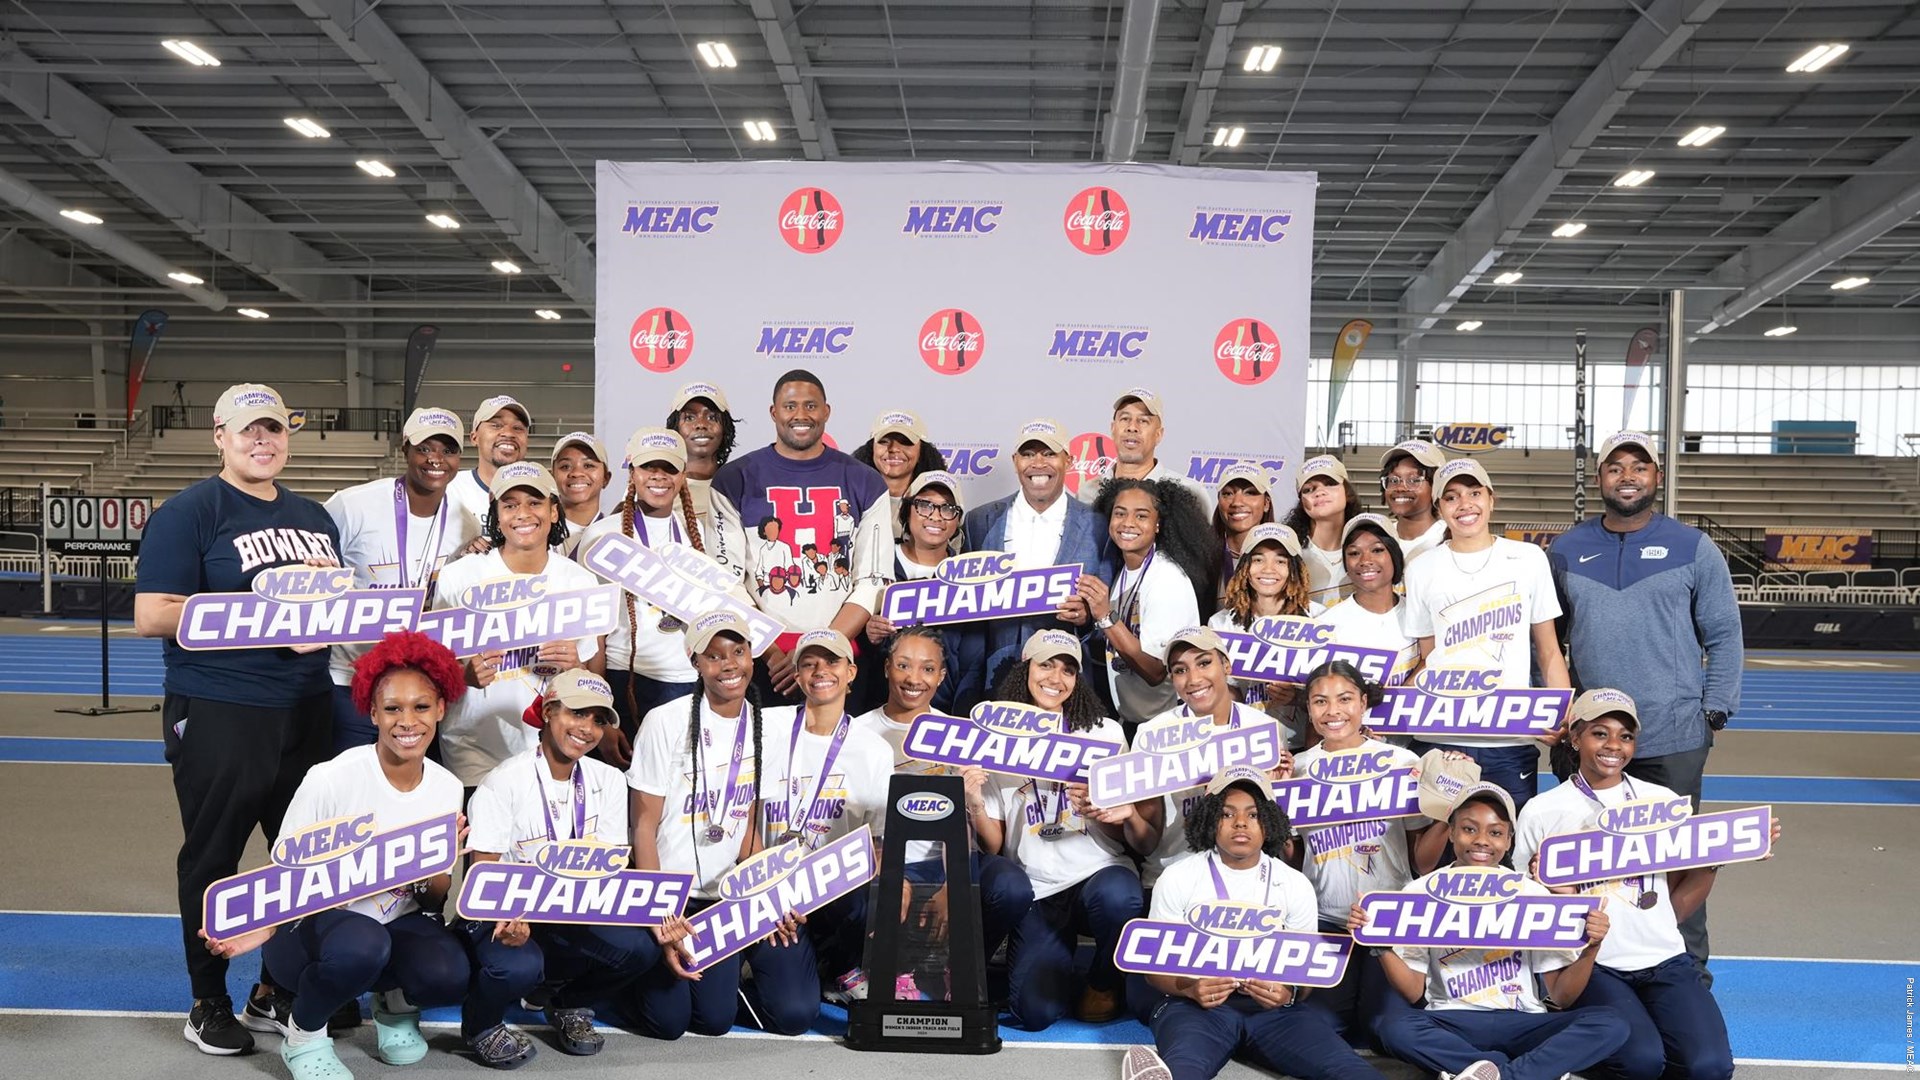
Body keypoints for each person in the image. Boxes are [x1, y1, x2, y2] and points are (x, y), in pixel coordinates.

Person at [134, 382, 345, 1056]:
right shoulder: (190, 511)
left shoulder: (316, 517)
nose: (263, 441)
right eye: (249, 430)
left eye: (275, 430)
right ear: (220, 435)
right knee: (216, 857)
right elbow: (152, 615)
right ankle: (207, 1000)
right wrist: (262, 607)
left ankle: (275, 989)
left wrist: (323, 598)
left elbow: (323, 621)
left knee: (307, 857)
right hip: (224, 706)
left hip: (308, 707)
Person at [199, 632, 470, 1076]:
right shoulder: (331, 778)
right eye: (393, 708)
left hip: (394, 922)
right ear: (372, 712)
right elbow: (284, 871)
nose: (408, 721)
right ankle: (304, 1035)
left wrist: (426, 871)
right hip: (314, 930)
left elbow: (433, 900)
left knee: (448, 970)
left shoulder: (447, 786)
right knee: (364, 945)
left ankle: (395, 1004)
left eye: (421, 707)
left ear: (441, 709)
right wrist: (257, 931)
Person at [1547, 430, 1743, 976]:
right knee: (1592, 863)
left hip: (1673, 736)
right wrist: (1556, 714)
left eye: (1639, 466)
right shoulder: (1564, 550)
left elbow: (1724, 633)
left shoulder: (1693, 547)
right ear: (1599, 477)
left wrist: (1714, 709)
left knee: (1675, 864)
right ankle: (1594, 970)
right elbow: (1547, 641)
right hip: (1591, 744)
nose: (1627, 476)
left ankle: (1685, 971)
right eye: (1615, 467)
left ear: (1656, 476)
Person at [1516, 689, 1768, 1080]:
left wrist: (1719, 858)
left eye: (1626, 736)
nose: (1614, 745)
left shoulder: (1661, 801)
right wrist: (1557, 894)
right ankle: (1562, 1035)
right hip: (1593, 965)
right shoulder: (1542, 812)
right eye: (1600, 733)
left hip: (1665, 961)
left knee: (1710, 1067)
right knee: (1640, 1063)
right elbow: (1527, 910)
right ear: (1575, 737)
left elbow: (1675, 910)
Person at [1130, 765, 1389, 1080]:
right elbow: (1154, 972)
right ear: (1210, 820)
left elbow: (1303, 977)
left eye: (1253, 815)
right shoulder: (1178, 877)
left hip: (1272, 1013)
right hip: (1196, 1007)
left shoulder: (1293, 883)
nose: (1240, 823)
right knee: (1185, 1069)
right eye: (1227, 814)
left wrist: (1288, 993)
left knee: (1352, 1072)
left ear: (1269, 822)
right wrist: (1190, 988)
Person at [1357, 782, 1630, 1080]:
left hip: (1523, 1020)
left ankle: (1487, 1073)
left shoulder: (1531, 892)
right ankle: (1516, 1069)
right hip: (1450, 1020)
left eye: (1495, 832)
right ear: (1451, 832)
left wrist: (1591, 948)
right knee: (1392, 1028)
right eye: (1469, 829)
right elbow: (1412, 992)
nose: (1482, 841)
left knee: (1611, 1023)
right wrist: (1379, 944)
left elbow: (1562, 997)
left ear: (1509, 840)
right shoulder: (1420, 891)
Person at [627, 612, 814, 1038]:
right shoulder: (666, 721)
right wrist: (659, 914)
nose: (728, 664)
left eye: (738, 651)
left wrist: (763, 896)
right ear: (695, 663)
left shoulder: (768, 728)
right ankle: (606, 985)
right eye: (713, 656)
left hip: (722, 900)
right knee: (668, 1024)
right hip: (671, 897)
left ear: (752, 655)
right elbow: (642, 825)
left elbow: (752, 826)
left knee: (713, 1021)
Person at [462, 669, 661, 1063]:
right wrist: (509, 919)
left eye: (599, 719)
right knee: (519, 964)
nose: (586, 728)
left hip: (572, 909)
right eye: (577, 713)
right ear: (550, 711)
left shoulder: (609, 780)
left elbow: (609, 867)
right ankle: (481, 1025)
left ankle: (568, 1002)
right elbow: (483, 878)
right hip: (508, 915)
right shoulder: (502, 782)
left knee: (640, 947)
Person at [969, 631, 1145, 1030]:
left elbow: (1122, 835)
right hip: (1038, 885)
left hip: (1095, 872)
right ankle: (1046, 965)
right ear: (1025, 670)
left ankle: (1104, 978)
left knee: (1120, 900)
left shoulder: (1104, 734)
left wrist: (1105, 810)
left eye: (1068, 669)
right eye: (1045, 664)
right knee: (1035, 1014)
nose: (1056, 677)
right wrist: (974, 799)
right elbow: (995, 844)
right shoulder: (997, 739)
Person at [852, 625, 1034, 987]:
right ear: (887, 667)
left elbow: (990, 844)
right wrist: (889, 874)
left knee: (1010, 886)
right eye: (903, 665)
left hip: (944, 861)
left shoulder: (959, 734)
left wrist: (955, 881)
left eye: (927, 668)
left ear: (942, 676)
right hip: (880, 860)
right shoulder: (857, 733)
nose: (914, 678)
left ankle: (964, 965)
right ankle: (866, 967)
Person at [711, 369, 891, 705]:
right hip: (763, 657)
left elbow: (872, 578)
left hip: (839, 655)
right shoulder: (734, 478)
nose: (801, 415)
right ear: (773, 412)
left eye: (811, 406)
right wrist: (770, 650)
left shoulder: (865, 481)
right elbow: (725, 580)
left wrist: (822, 648)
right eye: (790, 406)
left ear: (826, 411)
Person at [1288, 661, 1448, 1036]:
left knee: (1383, 1026)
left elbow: (1421, 863)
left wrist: (1444, 808)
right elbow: (1291, 859)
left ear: (1363, 702)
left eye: (1344, 699)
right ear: (1308, 710)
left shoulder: (1401, 762)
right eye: (1320, 702)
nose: (1333, 712)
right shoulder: (1297, 768)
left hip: (1390, 916)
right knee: (1318, 1026)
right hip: (1326, 920)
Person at [1401, 458, 1570, 810]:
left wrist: (1559, 711)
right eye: (1451, 497)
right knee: (1436, 852)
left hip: (1508, 738)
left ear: (1491, 499)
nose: (1465, 504)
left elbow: (1549, 651)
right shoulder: (1420, 569)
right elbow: (1428, 658)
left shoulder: (1529, 558)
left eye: (1474, 492)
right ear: (1439, 508)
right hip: (1439, 735)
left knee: (1505, 849)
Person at [430, 461, 603, 790]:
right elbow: (435, 666)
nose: (523, 513)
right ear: (497, 516)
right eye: (510, 505)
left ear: (554, 511)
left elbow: (587, 679)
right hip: (472, 745)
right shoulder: (460, 575)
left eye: (535, 502)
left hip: (549, 745)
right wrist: (463, 674)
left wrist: (575, 667)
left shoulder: (579, 580)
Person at [322, 406, 476, 754]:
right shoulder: (353, 505)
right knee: (352, 790)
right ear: (405, 448)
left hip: (419, 687)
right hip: (351, 682)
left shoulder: (466, 522)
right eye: (425, 448)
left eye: (448, 450)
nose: (436, 459)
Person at [760, 629, 894, 1003]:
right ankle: (772, 959)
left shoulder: (873, 749)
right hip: (769, 885)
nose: (821, 671)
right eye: (809, 663)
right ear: (798, 675)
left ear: (851, 672)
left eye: (832, 661)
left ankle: (840, 964)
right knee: (792, 1012)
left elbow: (879, 843)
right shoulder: (766, 728)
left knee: (868, 896)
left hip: (832, 890)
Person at [576, 429, 731, 743]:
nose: (659, 476)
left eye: (669, 468)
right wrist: (597, 708)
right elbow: (591, 631)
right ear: (632, 472)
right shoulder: (601, 536)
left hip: (688, 677)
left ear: (682, 475)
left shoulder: (697, 534)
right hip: (625, 677)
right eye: (649, 467)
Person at [959, 417, 1114, 705]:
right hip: (996, 674)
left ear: (1068, 461)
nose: (1038, 463)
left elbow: (1106, 611)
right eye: (1028, 454)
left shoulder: (1098, 526)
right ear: (1015, 460)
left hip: (1065, 681)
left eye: (1049, 453)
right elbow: (967, 609)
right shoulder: (980, 521)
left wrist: (1086, 616)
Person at [1135, 628, 1284, 893]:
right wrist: (1127, 816)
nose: (1193, 679)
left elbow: (1274, 828)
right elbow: (1145, 842)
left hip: (1248, 878)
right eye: (1180, 670)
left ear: (1226, 665)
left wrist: (1279, 790)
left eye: (1204, 663)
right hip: (1173, 875)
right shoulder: (1152, 735)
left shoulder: (1264, 729)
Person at [1074, 477, 1216, 728]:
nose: (1128, 523)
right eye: (1120, 513)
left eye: (1141, 516)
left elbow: (1155, 671)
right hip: (1134, 718)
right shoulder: (1125, 571)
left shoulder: (1166, 578)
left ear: (1158, 524)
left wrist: (1105, 616)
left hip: (1167, 724)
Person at [858, 470, 967, 713]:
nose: (936, 517)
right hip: (876, 708)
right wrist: (868, 634)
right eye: (925, 505)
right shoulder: (875, 560)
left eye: (948, 509)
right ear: (907, 509)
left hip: (943, 711)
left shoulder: (969, 576)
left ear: (958, 520)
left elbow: (972, 655)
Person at [1207, 521, 1320, 730]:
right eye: (1258, 559)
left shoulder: (1319, 620)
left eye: (1280, 561)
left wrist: (1298, 696)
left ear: (1294, 569)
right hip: (1247, 737)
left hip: (1302, 740)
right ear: (1244, 568)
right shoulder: (1221, 623)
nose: (1268, 569)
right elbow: (1225, 689)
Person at [1317, 514, 1419, 690]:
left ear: (1394, 555)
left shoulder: (1418, 613)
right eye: (1354, 553)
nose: (1365, 561)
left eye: (1377, 550)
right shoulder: (1326, 626)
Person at [663, 382, 748, 573]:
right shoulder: (656, 487)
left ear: (725, 427)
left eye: (712, 417)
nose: (701, 424)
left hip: (732, 595)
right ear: (675, 428)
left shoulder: (741, 484)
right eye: (689, 417)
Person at [1075, 388, 1208, 507]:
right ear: (1113, 429)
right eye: (1125, 418)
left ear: (1158, 434)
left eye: (1143, 421)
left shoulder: (1188, 493)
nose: (1132, 427)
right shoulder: (1088, 493)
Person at [444, 395, 531, 542]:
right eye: (496, 425)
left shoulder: (542, 496)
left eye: (517, 428)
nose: (509, 433)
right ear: (474, 437)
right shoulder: (450, 491)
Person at [850, 410, 947, 538]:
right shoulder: (849, 498)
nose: (894, 448)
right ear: (871, 448)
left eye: (905, 442)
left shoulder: (940, 504)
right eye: (884, 441)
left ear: (921, 451)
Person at [1283, 455, 1365, 608]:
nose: (1320, 492)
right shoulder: (1288, 550)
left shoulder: (1370, 546)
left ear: (1347, 493)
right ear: (1301, 502)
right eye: (1309, 489)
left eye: (1330, 484)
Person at [1210, 462, 1275, 608]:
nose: (1237, 502)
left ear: (1266, 503)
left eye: (1250, 493)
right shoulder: (1202, 558)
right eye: (1228, 493)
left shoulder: (1283, 560)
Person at [1376, 440, 1448, 565]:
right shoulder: (1377, 537)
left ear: (1437, 486)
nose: (1400, 487)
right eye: (1393, 480)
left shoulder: (1450, 538)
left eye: (1414, 480)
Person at [550, 431, 612, 555]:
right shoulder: (537, 533)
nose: (577, 473)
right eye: (565, 466)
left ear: (606, 478)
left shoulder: (616, 534)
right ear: (552, 477)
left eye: (588, 465)